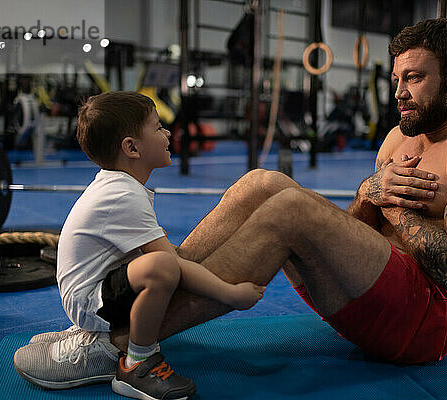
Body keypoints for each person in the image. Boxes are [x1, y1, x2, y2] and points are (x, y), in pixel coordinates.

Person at [14, 18, 447, 389]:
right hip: (374, 292)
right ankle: (133, 324)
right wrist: (367, 193)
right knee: (261, 183)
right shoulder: (404, 137)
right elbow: (356, 229)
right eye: (397, 78)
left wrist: (391, 204)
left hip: (424, 324)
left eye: (415, 78)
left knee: (290, 211)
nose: (400, 91)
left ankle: (114, 347)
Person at [14, 91, 265, 399]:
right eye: (158, 127)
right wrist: (231, 293)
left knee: (165, 259)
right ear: (131, 147)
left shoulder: (119, 184)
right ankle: (138, 363)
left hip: (94, 288)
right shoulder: (124, 195)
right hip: (89, 301)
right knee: (161, 267)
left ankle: (97, 336)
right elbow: (169, 263)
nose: (168, 133)